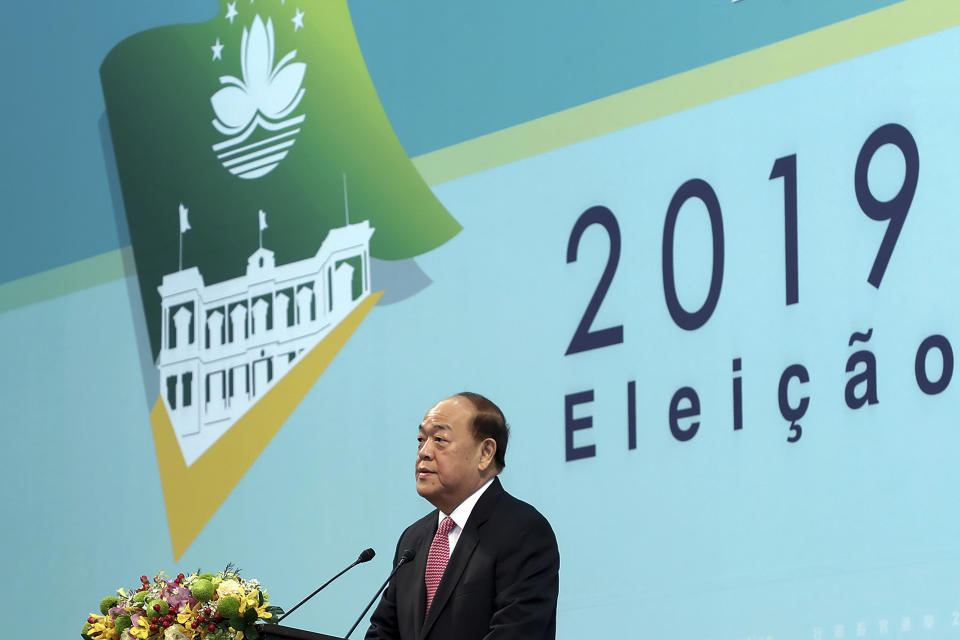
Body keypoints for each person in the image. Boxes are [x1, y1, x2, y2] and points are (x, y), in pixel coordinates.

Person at [365, 392, 560, 640]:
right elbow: (383, 632)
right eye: (420, 439)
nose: (424, 452)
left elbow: (516, 633)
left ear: (486, 453)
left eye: (439, 439)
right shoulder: (412, 540)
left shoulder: (523, 531)